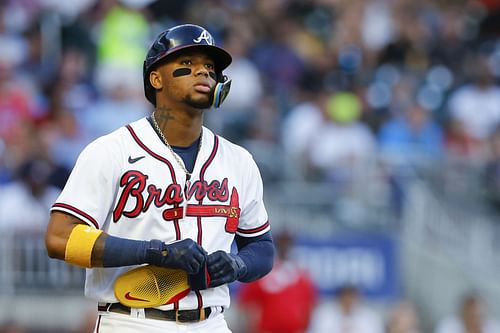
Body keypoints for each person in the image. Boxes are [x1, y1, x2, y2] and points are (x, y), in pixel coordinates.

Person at [44, 23, 275, 333]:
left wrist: (238, 265)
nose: (203, 72)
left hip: (212, 322)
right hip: (131, 320)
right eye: (187, 64)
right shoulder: (112, 151)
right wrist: (154, 252)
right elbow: (60, 238)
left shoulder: (238, 160)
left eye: (209, 67)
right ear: (156, 78)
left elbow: (262, 246)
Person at [238, 231, 317, 333]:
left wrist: (303, 327)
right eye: (282, 243)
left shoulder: (301, 274)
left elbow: (310, 304)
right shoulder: (264, 272)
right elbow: (247, 304)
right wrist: (251, 328)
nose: (285, 247)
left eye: (288, 243)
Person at [307, 284, 384, 333]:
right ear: (339, 298)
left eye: (351, 297)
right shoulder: (324, 314)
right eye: (345, 297)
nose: (348, 301)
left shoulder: (370, 317)